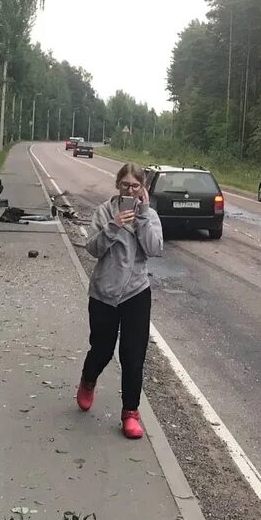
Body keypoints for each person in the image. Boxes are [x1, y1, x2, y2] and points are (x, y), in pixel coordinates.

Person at [76, 163, 163, 439]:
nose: (130, 190)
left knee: (133, 355)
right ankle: (88, 380)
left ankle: (130, 413)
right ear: (117, 185)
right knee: (101, 349)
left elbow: (154, 249)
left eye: (135, 186)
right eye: (125, 185)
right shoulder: (104, 212)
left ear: (143, 188)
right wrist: (113, 227)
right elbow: (92, 249)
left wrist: (143, 218)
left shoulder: (148, 215)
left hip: (136, 291)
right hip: (104, 292)